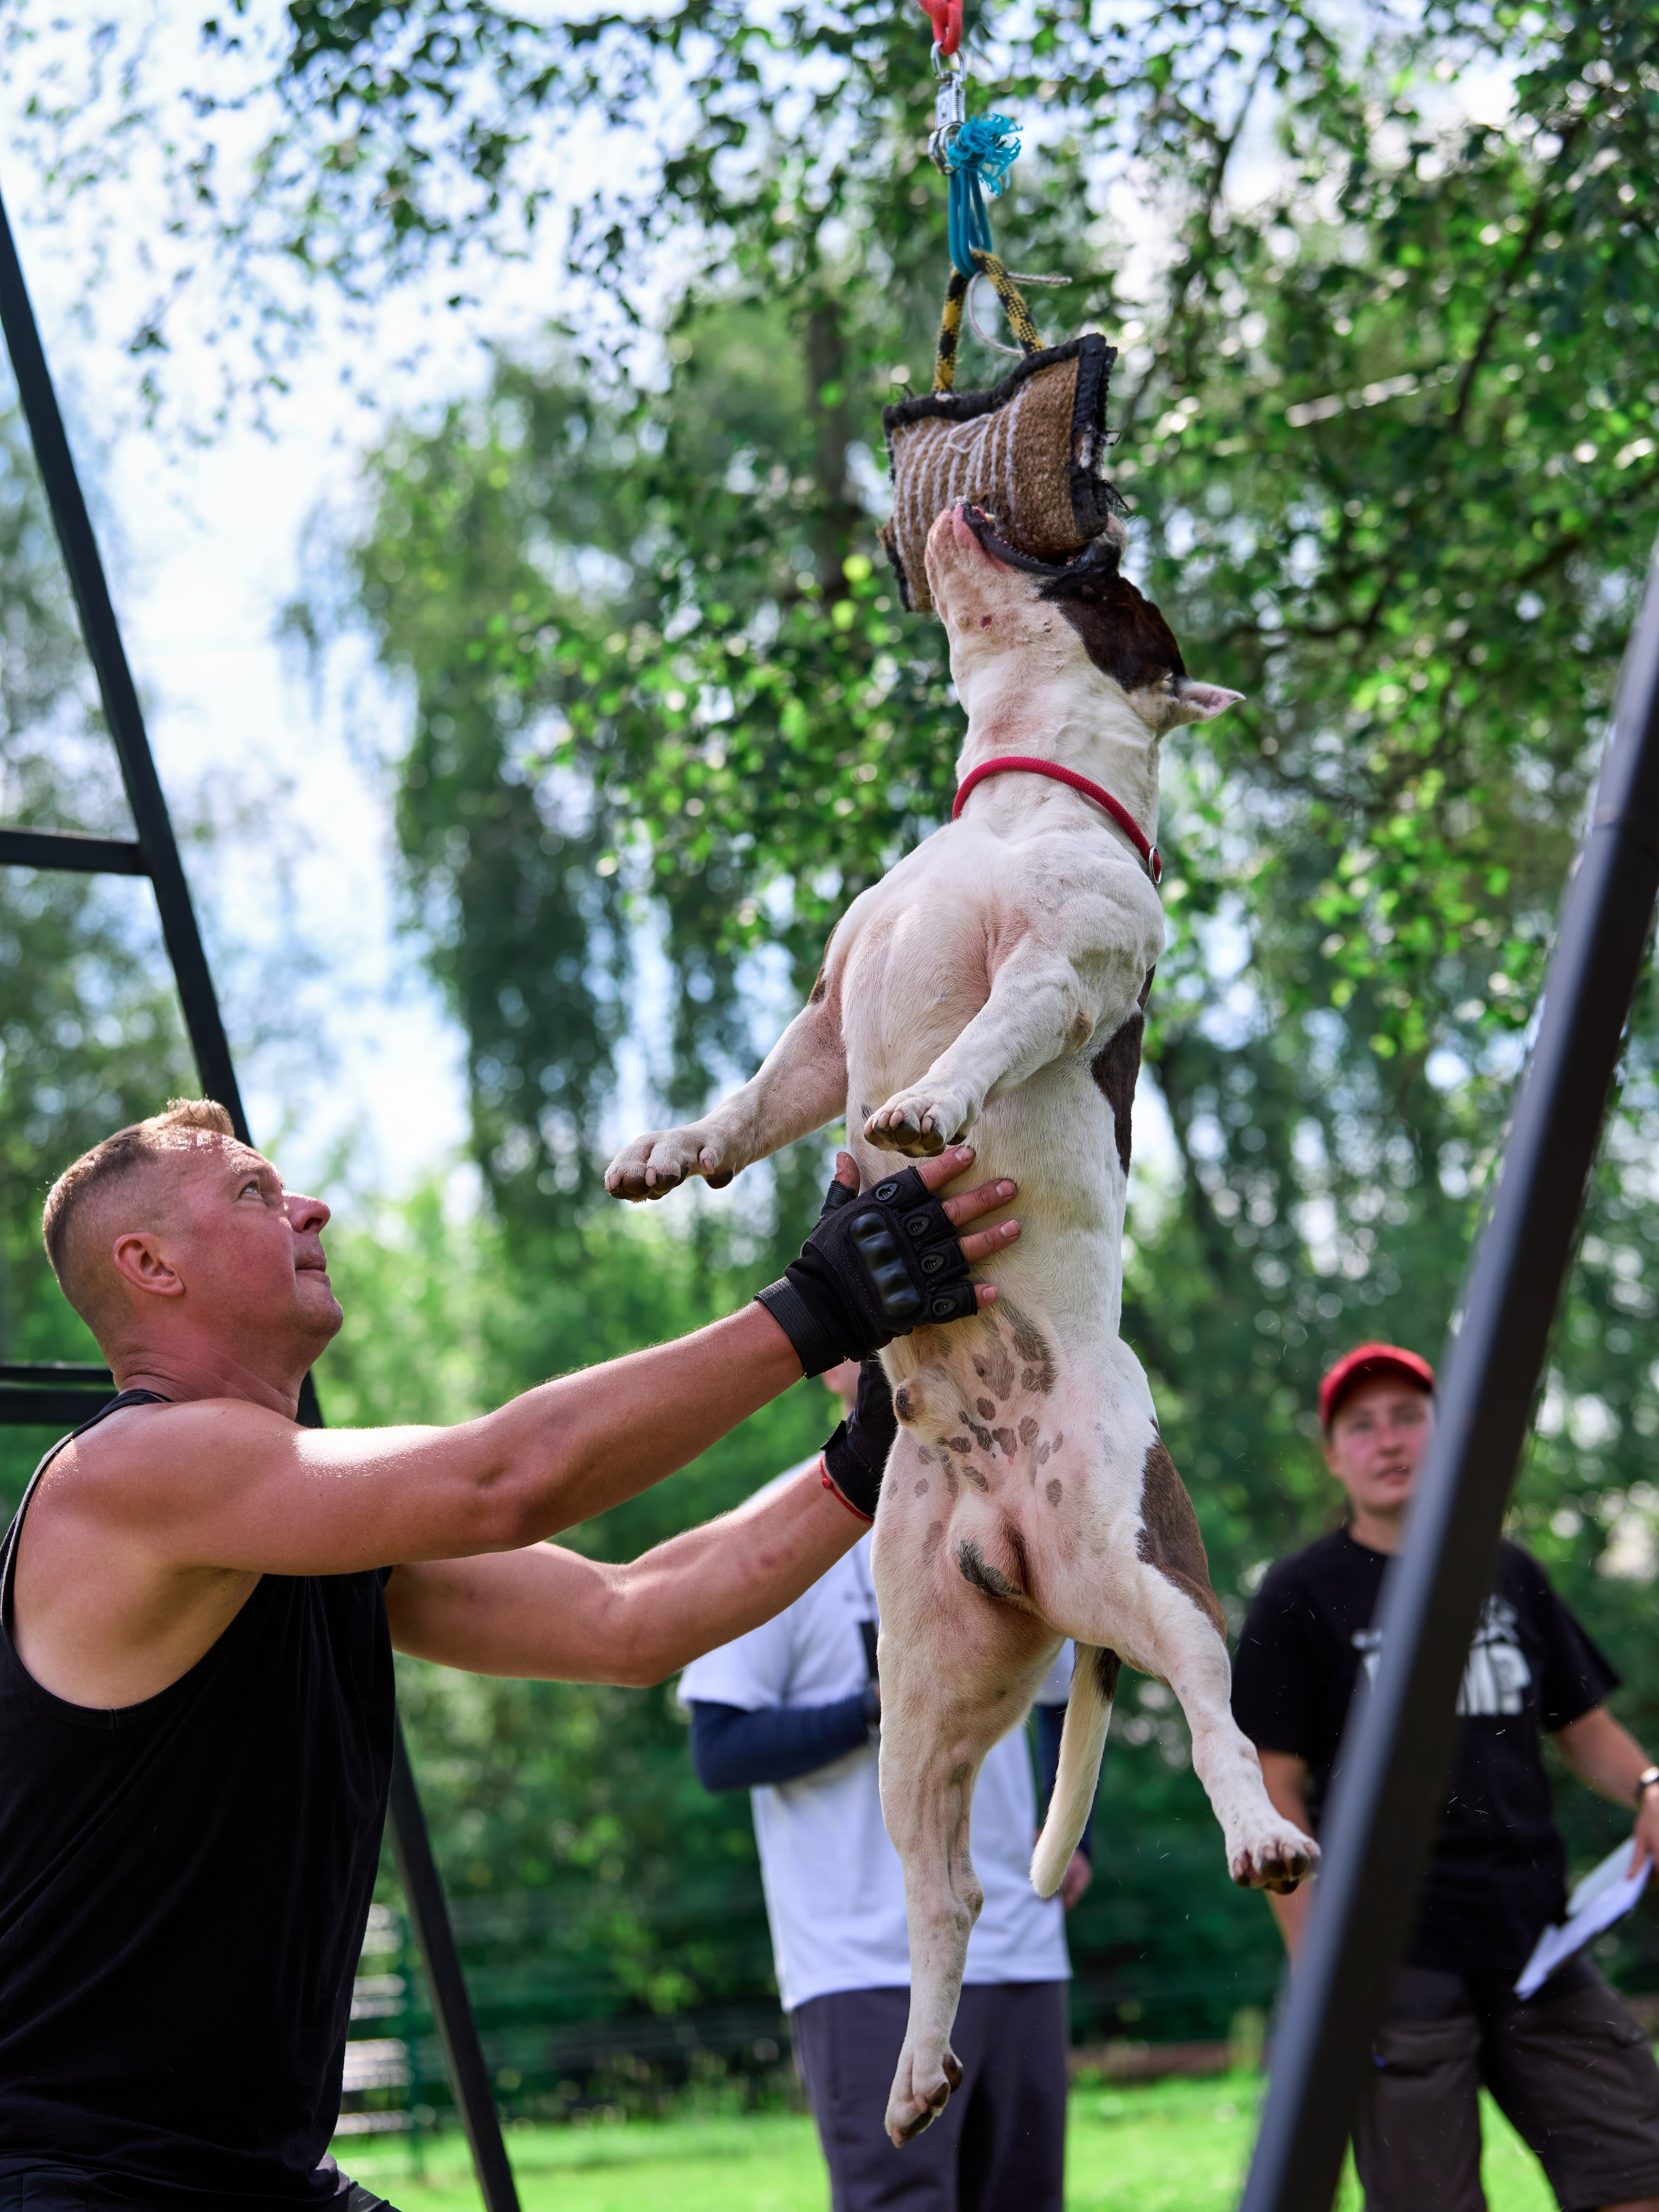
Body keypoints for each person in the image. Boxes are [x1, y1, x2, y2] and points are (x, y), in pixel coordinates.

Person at [0, 1097, 1027, 2211]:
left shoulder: (303, 1523)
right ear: (149, 1263)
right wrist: (820, 1303)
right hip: (74, 2181)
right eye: (253, 1190)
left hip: (249, 2179)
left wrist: (867, 1454)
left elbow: (631, 1617)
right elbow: (506, 1478)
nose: (311, 1205)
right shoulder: (129, 1473)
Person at [1232, 1341, 1659, 2212]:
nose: (1388, 1440)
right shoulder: (1300, 1593)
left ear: (1443, 1432)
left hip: (1537, 1938)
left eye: (1407, 1417)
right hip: (1393, 1962)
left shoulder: (1504, 1571)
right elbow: (1273, 1786)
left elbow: (1585, 1730)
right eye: (1361, 1425)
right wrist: (1320, 1972)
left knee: (1639, 2169)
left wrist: (1651, 1786)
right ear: (1333, 1453)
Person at [679, 1358, 1093, 2212]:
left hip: (1014, 1944)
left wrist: (1071, 1835)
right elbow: (721, 1747)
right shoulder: (777, 1530)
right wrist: (880, 1705)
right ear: (833, 1358)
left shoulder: (1005, 1509)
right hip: (866, 1964)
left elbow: (1064, 1695)